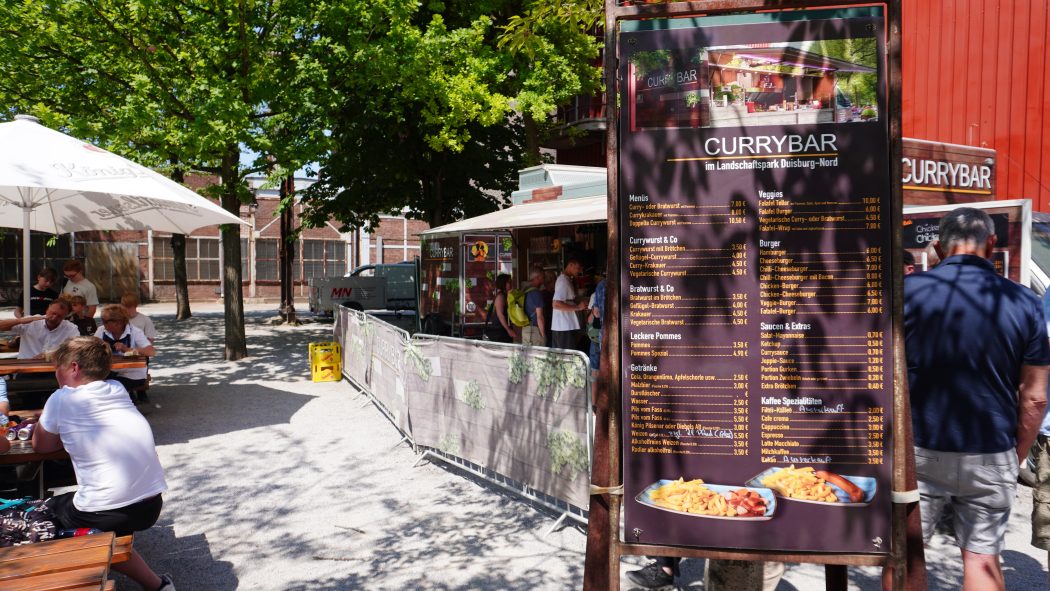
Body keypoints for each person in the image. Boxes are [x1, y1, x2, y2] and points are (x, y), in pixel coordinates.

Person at [903, 207, 1049, 591]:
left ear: (937, 247)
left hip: (917, 448)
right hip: (991, 447)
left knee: (906, 555)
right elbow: (1034, 397)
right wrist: (1017, 451)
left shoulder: (904, 294)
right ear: (992, 244)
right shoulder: (1026, 303)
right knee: (983, 558)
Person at [32, 336, 173, 591]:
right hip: (150, 504)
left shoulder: (61, 399)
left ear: (74, 368)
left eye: (58, 368)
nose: (56, 374)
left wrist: (51, 421)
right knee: (109, 530)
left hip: (108, 509)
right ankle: (158, 586)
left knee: (39, 516)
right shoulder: (117, 389)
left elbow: (40, 446)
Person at [95, 305, 155, 397]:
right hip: (109, 371)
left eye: (106, 321)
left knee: (112, 387)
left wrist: (127, 350)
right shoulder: (101, 330)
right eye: (102, 320)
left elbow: (150, 352)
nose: (103, 323)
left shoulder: (134, 332)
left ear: (119, 322)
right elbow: (92, 348)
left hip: (131, 373)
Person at [0, 300, 79, 359]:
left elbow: (76, 349)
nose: (54, 317)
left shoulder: (71, 328)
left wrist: (50, 354)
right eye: (52, 313)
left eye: (59, 316)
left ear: (65, 317)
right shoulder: (31, 321)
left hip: (53, 369)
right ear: (47, 310)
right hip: (26, 368)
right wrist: (20, 320)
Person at [551, 258, 587, 350]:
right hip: (563, 327)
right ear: (570, 265)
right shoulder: (563, 281)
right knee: (566, 358)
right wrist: (578, 308)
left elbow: (570, 299)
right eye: (578, 268)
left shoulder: (567, 279)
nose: (580, 271)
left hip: (566, 326)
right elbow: (556, 304)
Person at [483, 274, 518, 343]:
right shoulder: (501, 296)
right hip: (500, 330)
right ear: (503, 283)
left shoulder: (504, 295)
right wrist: (508, 329)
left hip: (502, 329)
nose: (511, 283)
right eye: (509, 282)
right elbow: (500, 314)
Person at [521, 267, 547, 346]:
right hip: (535, 331)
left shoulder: (525, 291)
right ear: (537, 278)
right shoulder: (536, 293)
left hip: (525, 330)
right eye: (543, 277)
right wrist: (543, 335)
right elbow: (539, 317)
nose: (544, 280)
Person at [587, 277, 607, 374]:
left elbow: (593, 316)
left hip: (598, 334)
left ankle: (596, 387)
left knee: (595, 366)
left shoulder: (596, 293)